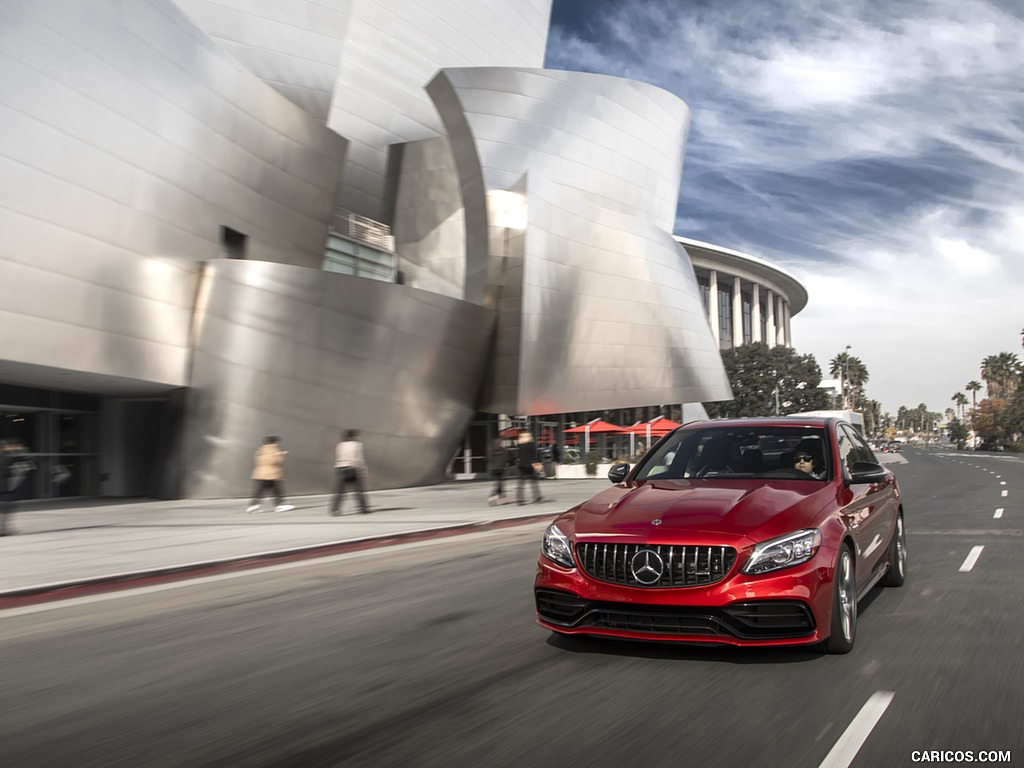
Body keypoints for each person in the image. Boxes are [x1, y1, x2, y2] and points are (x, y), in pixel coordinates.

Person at [248, 436, 294, 513]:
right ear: (273, 442)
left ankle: (254, 506)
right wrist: (281, 455)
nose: (277, 444)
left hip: (260, 473)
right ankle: (280, 505)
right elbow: (272, 461)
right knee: (277, 490)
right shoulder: (272, 449)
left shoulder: (261, 450)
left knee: (260, 491)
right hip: (271, 474)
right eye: (276, 442)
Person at [331, 429, 369, 515]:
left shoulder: (339, 445)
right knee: (358, 490)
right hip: (353, 468)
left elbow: (338, 457)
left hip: (341, 468)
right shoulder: (357, 445)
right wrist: (363, 470)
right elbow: (359, 458)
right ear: (353, 436)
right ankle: (362, 509)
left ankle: (335, 510)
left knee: (339, 491)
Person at [0, 438, 33, 536]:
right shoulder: (8, 457)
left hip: (4, 487)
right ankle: (4, 529)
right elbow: (24, 459)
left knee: (6, 507)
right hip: (5, 488)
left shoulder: (7, 456)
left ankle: (4, 529)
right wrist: (20, 449)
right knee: (7, 507)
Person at [516, 431, 543, 505]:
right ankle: (537, 496)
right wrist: (537, 463)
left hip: (521, 465)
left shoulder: (520, 445)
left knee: (521, 483)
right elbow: (534, 455)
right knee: (533, 482)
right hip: (530, 465)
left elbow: (519, 456)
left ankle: (519, 499)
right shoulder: (531, 445)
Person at [488, 438, 508, 506]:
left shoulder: (491, 450)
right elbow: (505, 459)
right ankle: (493, 497)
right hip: (500, 468)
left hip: (494, 468)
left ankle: (502, 499)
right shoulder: (503, 450)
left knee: (499, 483)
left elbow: (490, 459)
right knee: (499, 484)